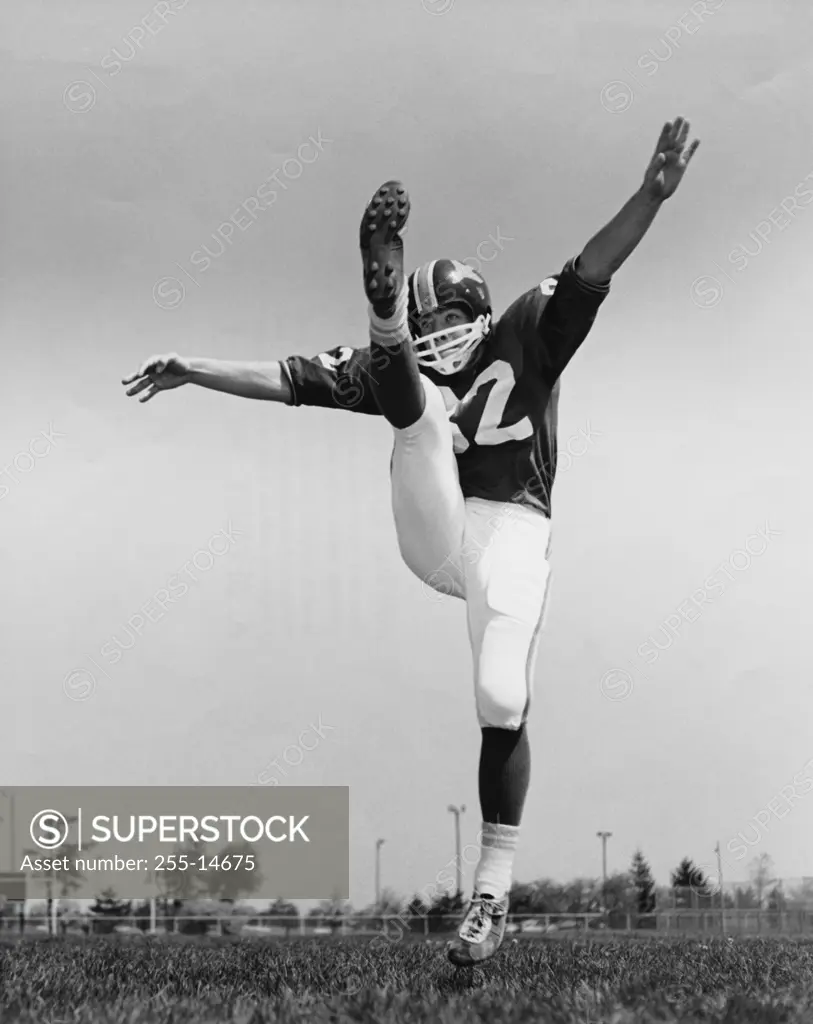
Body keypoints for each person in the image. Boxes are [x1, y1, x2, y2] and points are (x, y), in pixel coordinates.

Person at [123, 116, 699, 966]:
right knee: (421, 416)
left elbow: (592, 266)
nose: (443, 341)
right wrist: (194, 368)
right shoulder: (416, 376)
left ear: (479, 312)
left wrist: (647, 198)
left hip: (511, 533)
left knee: (502, 698)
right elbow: (286, 379)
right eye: (416, 324)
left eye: (436, 323)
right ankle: (377, 324)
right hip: (433, 527)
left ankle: (490, 897)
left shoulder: (529, 328)